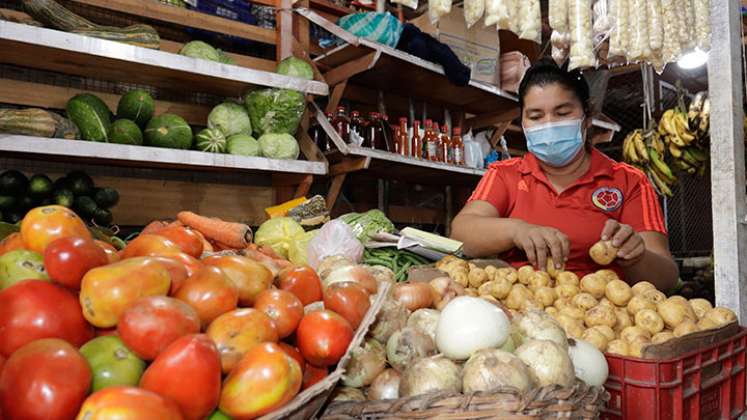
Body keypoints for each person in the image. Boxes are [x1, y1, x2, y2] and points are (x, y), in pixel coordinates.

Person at [451, 59, 678, 291]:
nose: (549, 125)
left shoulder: (628, 181)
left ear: (587, 118)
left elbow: (666, 279)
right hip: (522, 307)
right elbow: (460, 234)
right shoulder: (505, 174)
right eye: (536, 116)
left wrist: (636, 255)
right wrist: (517, 230)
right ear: (524, 122)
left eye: (562, 113)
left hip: (602, 314)